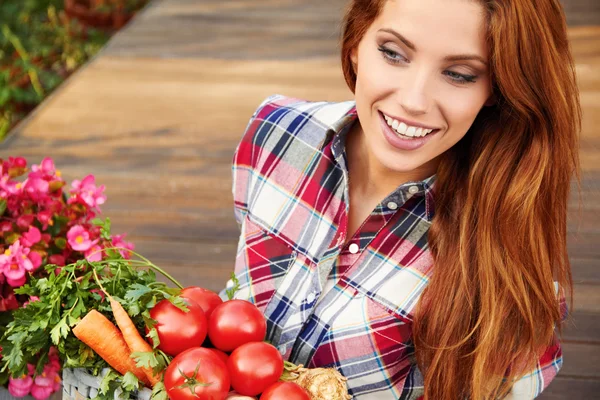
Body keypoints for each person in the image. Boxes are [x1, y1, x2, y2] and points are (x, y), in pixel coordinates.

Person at [222, 0, 580, 398]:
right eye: (393, 54)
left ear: (497, 88)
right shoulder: (277, 132)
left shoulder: (504, 257)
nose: (413, 100)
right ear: (357, 41)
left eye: (459, 74)